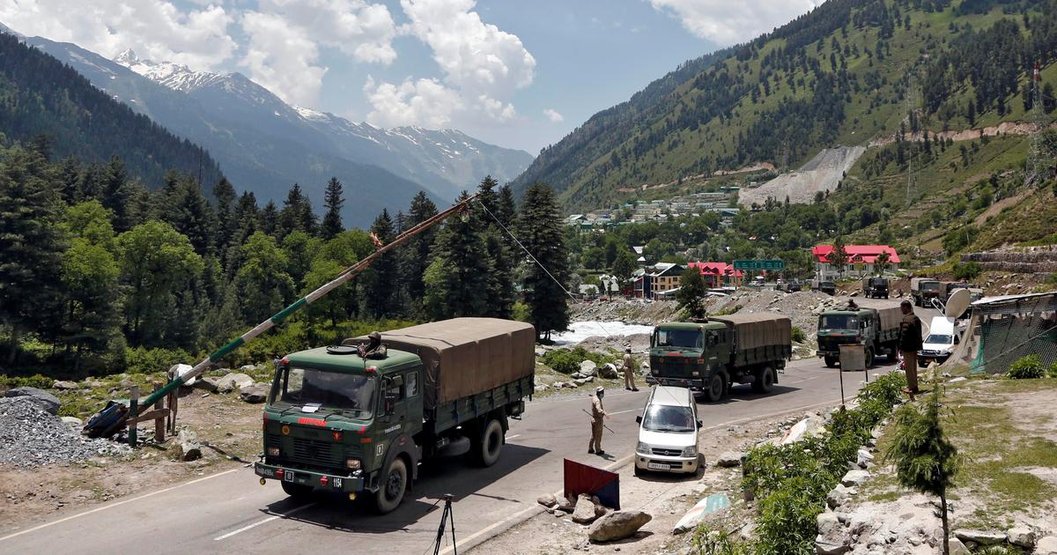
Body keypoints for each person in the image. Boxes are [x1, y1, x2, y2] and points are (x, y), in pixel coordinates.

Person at [898, 299, 923, 395]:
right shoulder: (915, 318)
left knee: (909, 369)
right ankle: (914, 386)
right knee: (913, 368)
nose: (901, 310)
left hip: (908, 348)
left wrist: (900, 346)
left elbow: (904, 335)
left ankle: (912, 388)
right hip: (914, 347)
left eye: (902, 308)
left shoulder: (907, 320)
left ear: (906, 307)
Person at [588, 386, 607, 455]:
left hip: (593, 419)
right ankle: (598, 450)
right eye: (602, 392)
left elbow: (593, 396)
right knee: (598, 436)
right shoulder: (597, 401)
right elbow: (598, 408)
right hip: (598, 420)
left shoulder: (595, 397)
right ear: (600, 393)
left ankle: (590, 448)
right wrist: (604, 412)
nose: (603, 394)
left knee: (593, 435)